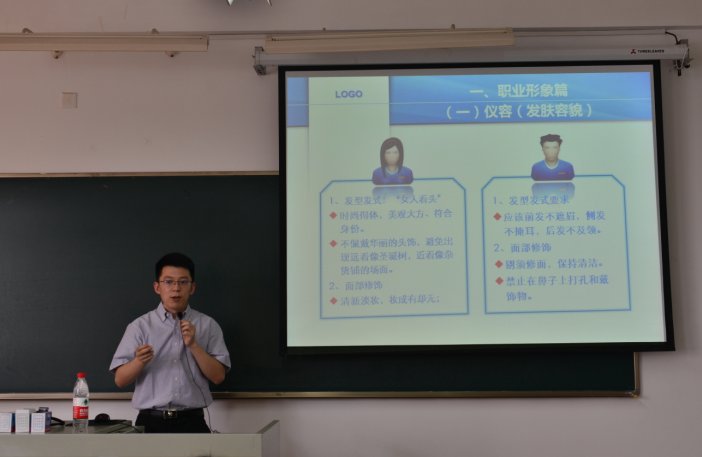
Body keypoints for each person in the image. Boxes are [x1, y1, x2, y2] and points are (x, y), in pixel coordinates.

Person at [109, 253, 231, 433]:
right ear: (157, 287)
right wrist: (139, 361)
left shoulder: (208, 325)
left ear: (192, 288)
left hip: (192, 421)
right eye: (168, 282)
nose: (176, 288)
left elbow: (218, 377)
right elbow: (120, 380)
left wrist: (194, 345)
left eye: (183, 282)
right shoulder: (139, 326)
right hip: (150, 422)